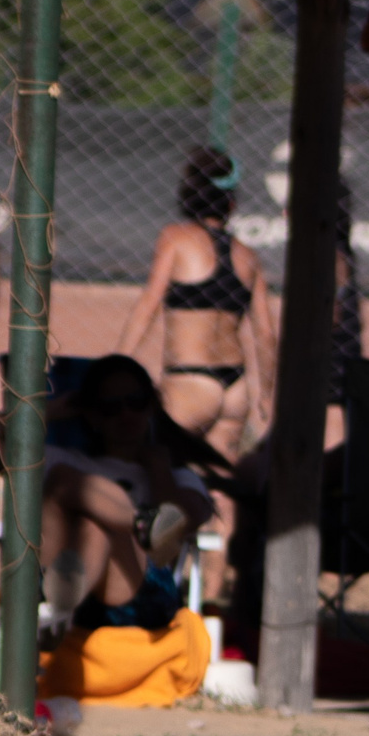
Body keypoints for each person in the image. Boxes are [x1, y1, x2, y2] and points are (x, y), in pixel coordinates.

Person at [115, 148, 276, 457]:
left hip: (190, 380)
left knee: (155, 464)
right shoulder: (248, 257)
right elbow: (266, 335)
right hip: (236, 386)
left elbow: (149, 305)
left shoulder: (176, 238)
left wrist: (119, 363)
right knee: (222, 485)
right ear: (231, 202)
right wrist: (266, 394)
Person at [41, 355, 219, 630]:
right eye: (110, 407)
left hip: (140, 597)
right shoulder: (69, 461)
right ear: (90, 413)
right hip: (63, 580)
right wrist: (49, 411)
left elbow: (187, 521)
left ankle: (57, 619)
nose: (126, 414)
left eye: (136, 403)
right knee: (66, 485)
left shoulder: (176, 475)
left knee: (96, 524)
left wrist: (157, 468)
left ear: (152, 406)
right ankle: (143, 521)